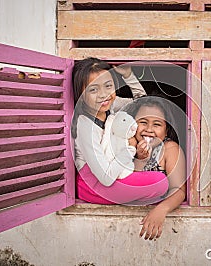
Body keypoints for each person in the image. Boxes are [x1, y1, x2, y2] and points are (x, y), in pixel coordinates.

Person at [72, 57, 169, 208]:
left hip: (114, 173)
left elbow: (142, 102)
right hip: (93, 185)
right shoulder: (85, 127)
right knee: (160, 183)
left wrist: (128, 76)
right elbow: (106, 177)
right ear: (81, 94)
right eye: (93, 89)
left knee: (160, 184)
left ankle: (131, 197)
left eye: (108, 86)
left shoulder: (110, 105)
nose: (103, 94)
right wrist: (130, 149)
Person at [126, 96, 186, 240]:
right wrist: (141, 159)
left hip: (157, 224)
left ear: (166, 130)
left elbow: (179, 190)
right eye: (143, 122)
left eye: (157, 124)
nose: (149, 129)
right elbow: (128, 186)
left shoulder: (169, 149)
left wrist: (161, 210)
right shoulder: (125, 146)